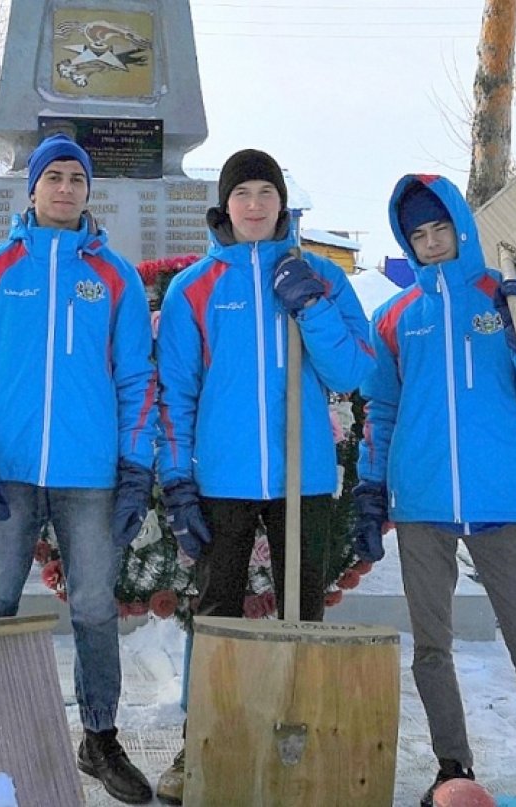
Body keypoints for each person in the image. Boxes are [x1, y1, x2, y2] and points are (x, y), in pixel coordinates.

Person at [0, 133, 157, 805]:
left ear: (88, 191)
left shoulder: (112, 277)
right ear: (31, 189)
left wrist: (135, 465)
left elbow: (137, 377)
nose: (64, 188)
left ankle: (99, 737)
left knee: (92, 605)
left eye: (75, 179)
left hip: (89, 472)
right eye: (52, 176)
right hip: (7, 468)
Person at [352, 173, 516, 803]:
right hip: (423, 503)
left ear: (462, 227)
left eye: (440, 229)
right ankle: (453, 770)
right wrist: (373, 489)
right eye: (417, 234)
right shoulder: (396, 316)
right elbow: (381, 409)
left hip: (502, 501)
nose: (431, 243)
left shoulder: (514, 297)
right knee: (432, 648)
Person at [152, 148, 375, 804]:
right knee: (217, 610)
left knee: (301, 608)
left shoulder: (321, 279)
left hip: (300, 477)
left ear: (282, 203)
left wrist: (310, 307)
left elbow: (352, 371)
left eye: (265, 192)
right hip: (222, 477)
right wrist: (180, 480)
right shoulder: (197, 286)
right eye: (242, 192)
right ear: (225, 206)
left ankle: (295, 733)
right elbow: (176, 392)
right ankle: (202, 742)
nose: (254, 204)